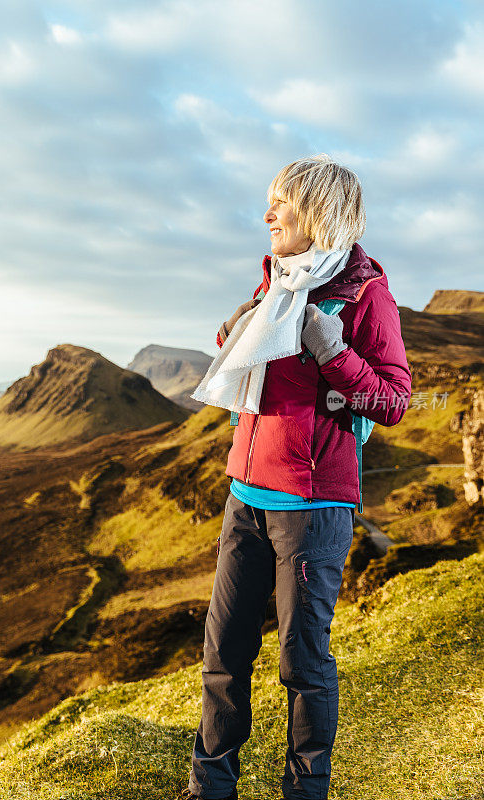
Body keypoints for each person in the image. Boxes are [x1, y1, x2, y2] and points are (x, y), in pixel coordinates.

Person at [179, 155, 412, 800]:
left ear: (318, 211)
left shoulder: (365, 295)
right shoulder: (273, 287)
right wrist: (238, 335)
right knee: (223, 655)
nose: (267, 215)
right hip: (244, 494)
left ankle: (305, 791)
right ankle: (212, 787)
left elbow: (393, 399)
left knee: (302, 662)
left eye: (280, 201)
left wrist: (333, 351)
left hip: (312, 508)